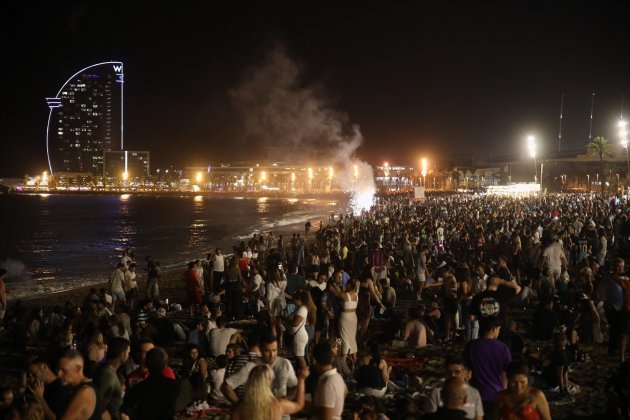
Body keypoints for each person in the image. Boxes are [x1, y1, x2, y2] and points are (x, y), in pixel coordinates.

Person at [222, 332, 298, 405]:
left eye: (274, 350)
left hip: (282, 414)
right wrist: (240, 406)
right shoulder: (251, 366)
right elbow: (226, 387)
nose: (271, 355)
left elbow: (295, 387)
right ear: (261, 350)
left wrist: (283, 402)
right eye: (267, 351)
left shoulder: (284, 363)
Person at [463, 318, 512, 419]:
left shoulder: (471, 346)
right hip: (496, 395)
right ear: (493, 329)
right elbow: (506, 374)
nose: (498, 332)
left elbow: (465, 371)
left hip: (475, 395)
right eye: (498, 329)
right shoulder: (503, 347)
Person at [229, 364, 309, 420]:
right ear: (269, 382)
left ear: (250, 381)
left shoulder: (239, 407)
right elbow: (299, 405)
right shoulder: (277, 405)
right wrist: (301, 379)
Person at [121, 347, 179, 420]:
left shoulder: (138, 388)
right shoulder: (174, 385)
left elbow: (124, 412)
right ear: (165, 365)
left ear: (147, 364)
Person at [424, 355, 483, 420]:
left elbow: (479, 417)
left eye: (457, 372)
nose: (453, 375)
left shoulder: (474, 393)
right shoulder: (436, 392)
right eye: (449, 372)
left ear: (464, 373)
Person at [57, 349, 103, 420]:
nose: (59, 374)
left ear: (78, 368)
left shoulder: (85, 392)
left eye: (64, 371)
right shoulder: (80, 387)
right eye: (58, 369)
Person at [92, 337, 130, 420]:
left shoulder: (109, 371)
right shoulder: (107, 374)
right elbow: (97, 401)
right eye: (128, 353)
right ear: (122, 354)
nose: (128, 356)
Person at [312, 341, 347, 420]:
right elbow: (345, 391)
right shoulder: (337, 376)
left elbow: (326, 418)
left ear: (314, 360)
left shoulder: (328, 383)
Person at [327, 278, 359, 364]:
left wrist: (331, 283)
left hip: (345, 317)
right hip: (354, 317)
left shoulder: (345, 295)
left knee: (344, 338)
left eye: (347, 284)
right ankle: (354, 361)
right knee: (352, 338)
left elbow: (333, 292)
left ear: (350, 285)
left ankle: (343, 362)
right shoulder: (356, 294)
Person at [289, 289, 311, 369]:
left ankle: (305, 375)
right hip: (299, 335)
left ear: (299, 300)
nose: (293, 301)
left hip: (299, 336)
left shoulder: (302, 309)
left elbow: (296, 323)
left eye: (294, 299)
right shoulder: (299, 308)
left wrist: (288, 321)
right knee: (299, 358)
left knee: (301, 359)